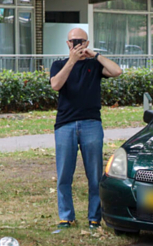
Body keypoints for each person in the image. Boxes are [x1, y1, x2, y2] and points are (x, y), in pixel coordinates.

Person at [49, 28, 123, 231]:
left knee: (95, 174)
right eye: (73, 41)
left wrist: (96, 56)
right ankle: (66, 217)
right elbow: (55, 84)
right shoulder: (59, 65)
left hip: (91, 124)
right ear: (67, 44)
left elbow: (117, 71)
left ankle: (94, 218)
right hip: (65, 125)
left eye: (81, 41)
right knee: (64, 174)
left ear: (87, 43)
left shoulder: (94, 65)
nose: (77, 45)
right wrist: (72, 61)